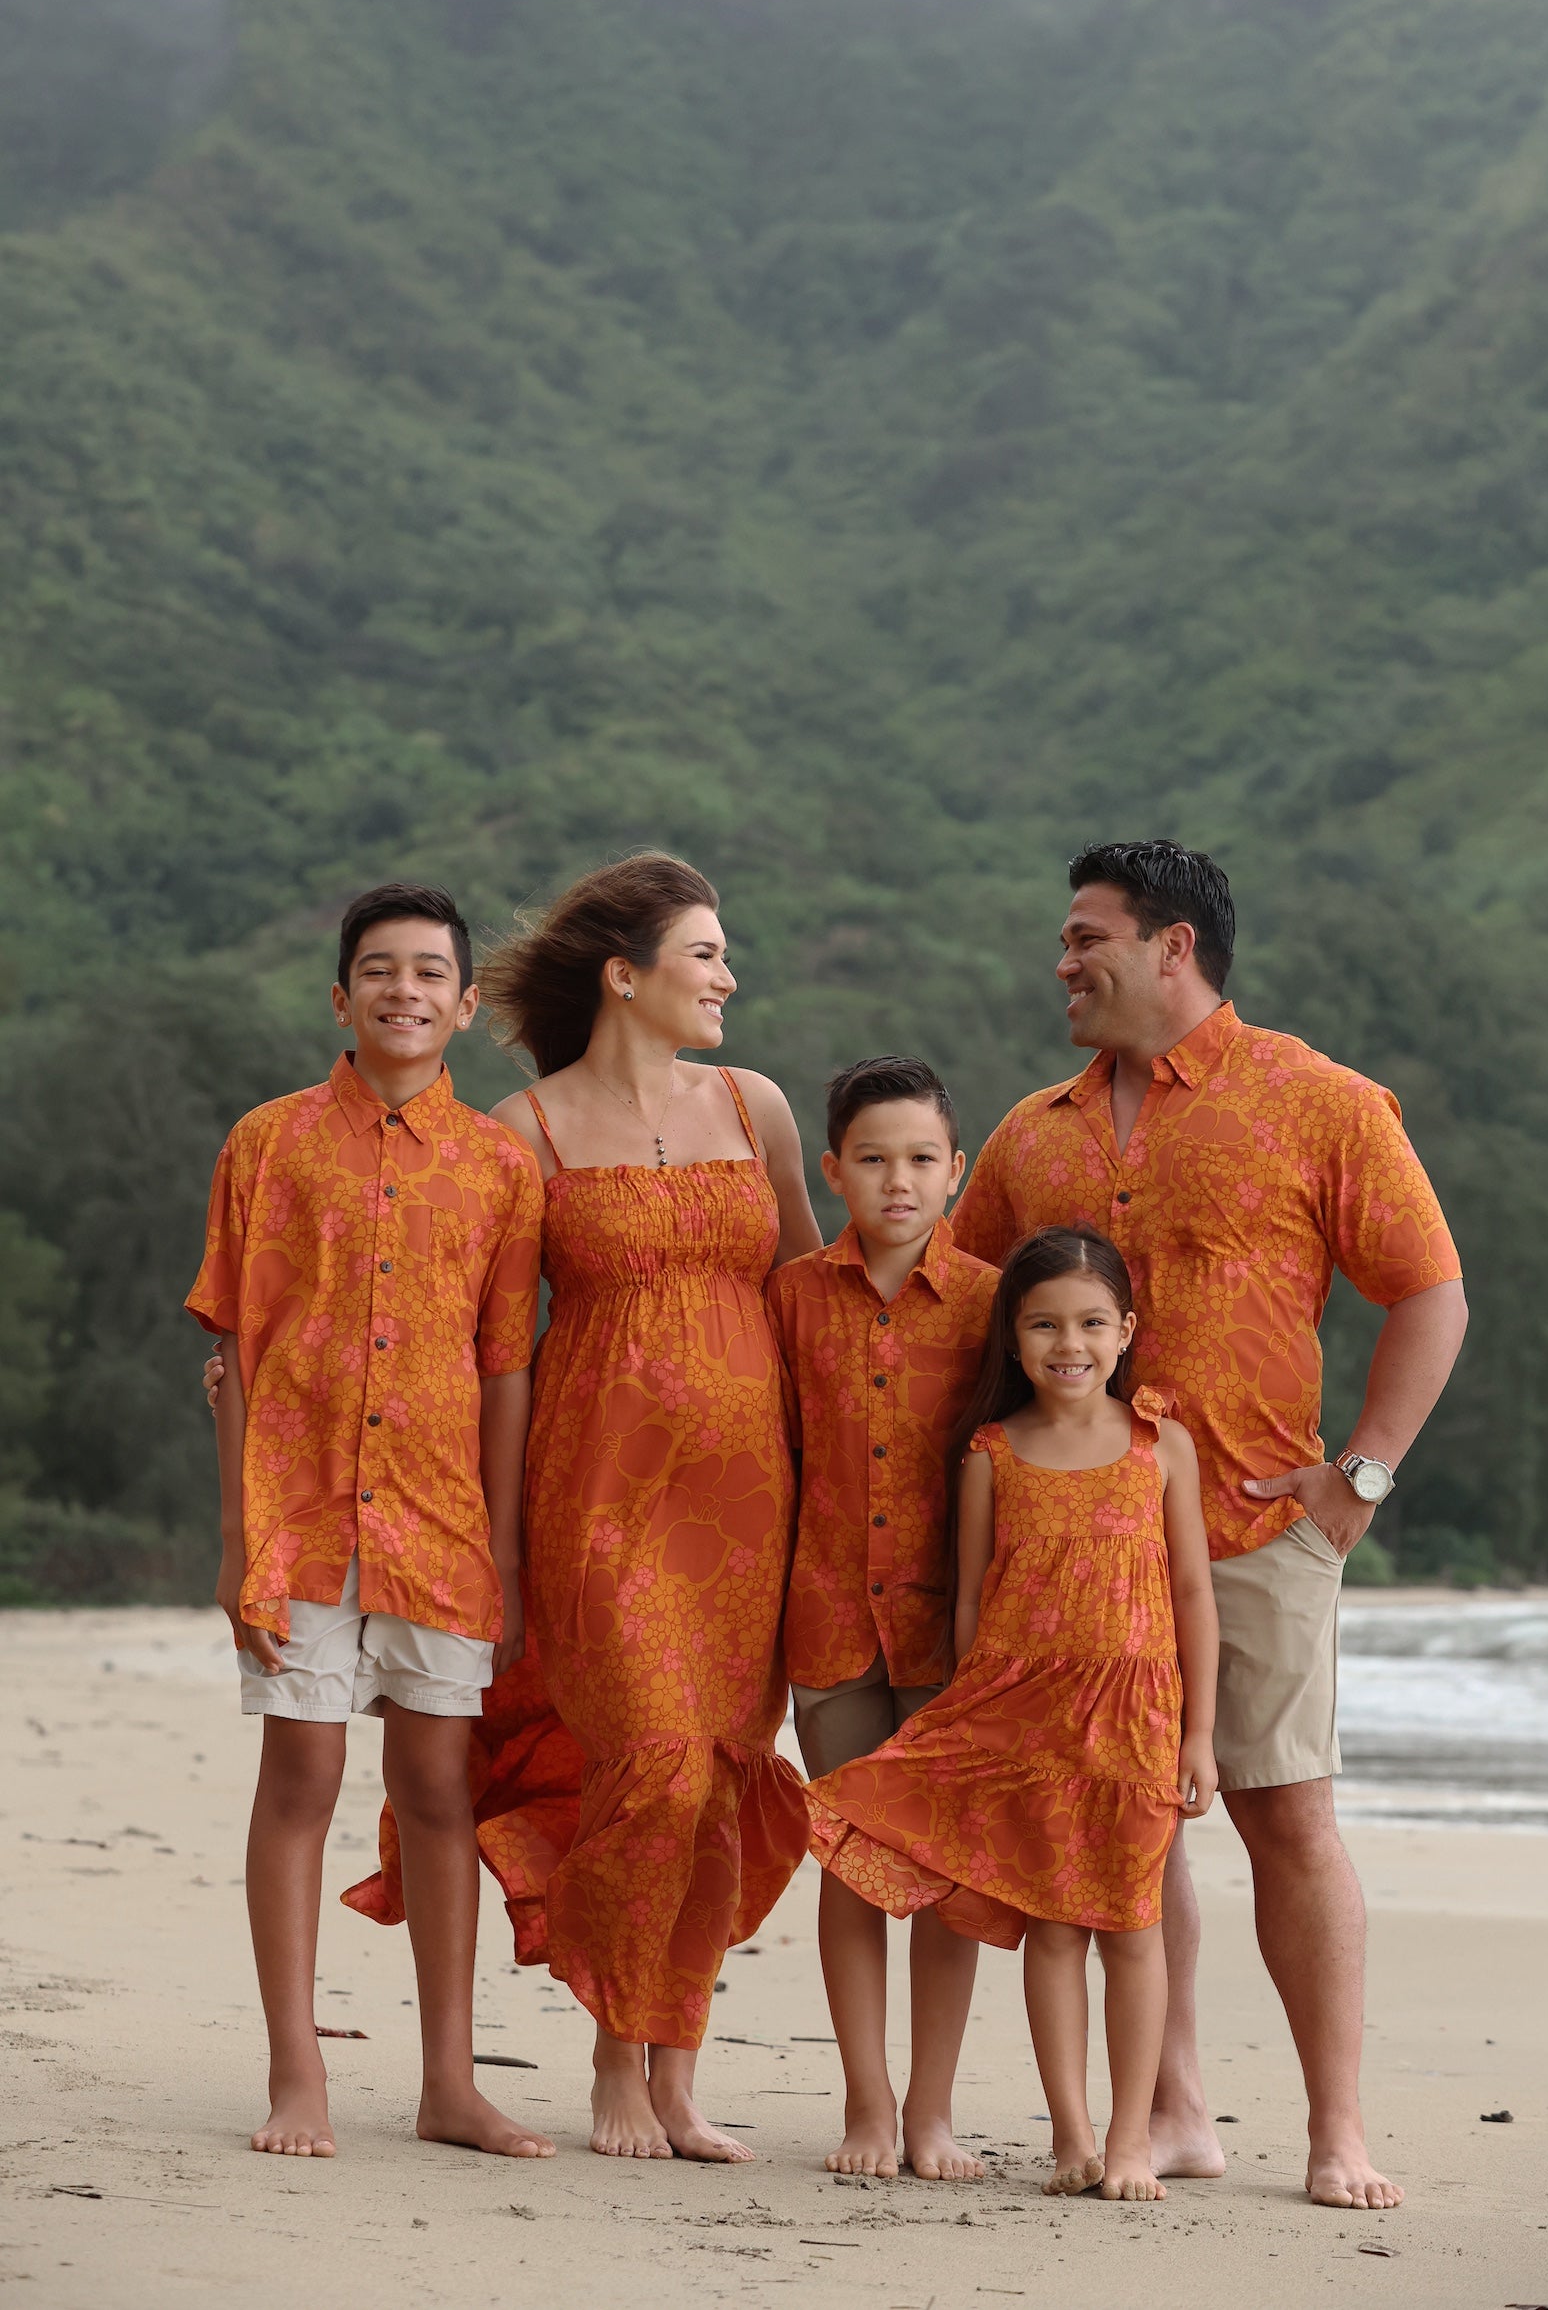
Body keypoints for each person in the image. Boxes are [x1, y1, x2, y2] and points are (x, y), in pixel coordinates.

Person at [951, 840, 1468, 2212]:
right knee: (1132, 1825)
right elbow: (956, 1310)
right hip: (1075, 1547)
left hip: (1251, 1525)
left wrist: (1359, 1476)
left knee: (1285, 1815)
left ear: (1171, 946)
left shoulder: (1320, 1102)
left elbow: (1428, 1292)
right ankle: (1172, 2110)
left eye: (1085, 938)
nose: (1062, 962)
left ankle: (1335, 2131)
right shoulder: (1028, 1134)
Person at [432, 852, 822, 2164]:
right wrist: (494, 1544)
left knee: (715, 1784)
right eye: (705, 954)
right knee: (650, 1763)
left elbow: (809, 1297)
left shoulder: (755, 1107)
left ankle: (677, 2075)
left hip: (748, 1506)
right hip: (594, 1496)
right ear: (622, 974)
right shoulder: (522, 1129)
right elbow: (492, 1349)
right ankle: (613, 2052)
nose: (728, 977)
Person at [187, 883, 553, 2163]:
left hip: (440, 1524)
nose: (405, 990)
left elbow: (504, 1367)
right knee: (301, 1777)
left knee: (440, 1787)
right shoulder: (266, 1143)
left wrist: (501, 1547)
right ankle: (297, 2074)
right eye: (380, 970)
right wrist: (239, 1541)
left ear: (466, 1001)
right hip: (297, 1519)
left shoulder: (502, 1168)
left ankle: (450, 2084)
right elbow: (236, 1348)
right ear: (341, 997)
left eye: (429, 971)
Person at [806, 1227, 1218, 2203]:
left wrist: (1198, 1733)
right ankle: (1072, 2140)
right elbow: (968, 1602)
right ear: (1012, 1336)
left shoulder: (1160, 1444)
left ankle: (1128, 2141)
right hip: (1017, 1719)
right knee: (1053, 1930)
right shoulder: (991, 1452)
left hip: (1131, 1721)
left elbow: (1193, 1592)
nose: (1067, 1344)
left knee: (1131, 1928)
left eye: (1089, 1323)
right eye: (1042, 1325)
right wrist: (962, 1719)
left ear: (1125, 1331)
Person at [767, 1055, 997, 2184]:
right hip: (827, 1621)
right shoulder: (790, 1295)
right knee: (852, 1864)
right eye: (871, 1159)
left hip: (953, 1634)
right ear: (832, 1171)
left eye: (919, 1159)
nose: (896, 1181)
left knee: (945, 1871)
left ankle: (932, 2111)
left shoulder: (996, 1304)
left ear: (956, 1169)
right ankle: (864, 2100)